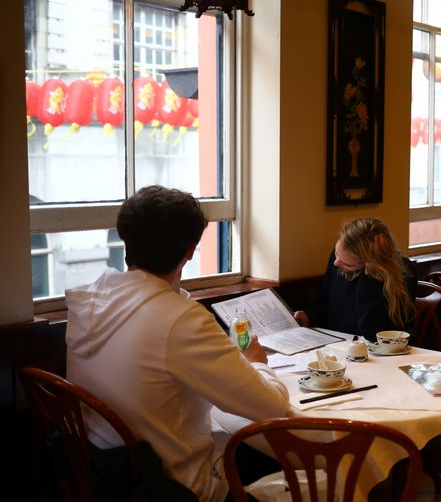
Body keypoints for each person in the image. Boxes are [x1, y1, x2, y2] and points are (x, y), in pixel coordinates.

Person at [65, 185, 289, 502]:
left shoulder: (91, 299)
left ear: (125, 238)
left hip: (105, 474)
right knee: (301, 475)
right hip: (171, 486)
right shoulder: (181, 321)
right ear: (189, 252)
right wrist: (256, 363)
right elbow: (271, 406)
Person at [293, 217, 416, 342]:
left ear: (368, 262)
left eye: (348, 264)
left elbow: (375, 333)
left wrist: (370, 277)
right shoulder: (341, 260)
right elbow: (325, 304)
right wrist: (309, 317)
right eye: (336, 253)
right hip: (335, 344)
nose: (336, 263)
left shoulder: (402, 272)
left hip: (377, 351)